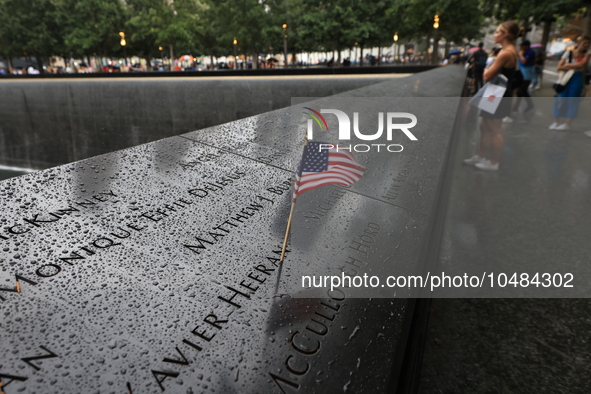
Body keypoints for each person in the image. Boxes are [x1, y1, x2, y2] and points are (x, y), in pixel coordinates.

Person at [464, 21, 519, 171]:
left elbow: (487, 75)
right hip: (495, 92)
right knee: (484, 125)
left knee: (494, 129)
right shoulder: (508, 50)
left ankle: (494, 162)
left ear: (505, 34)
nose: (494, 35)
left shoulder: (506, 52)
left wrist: (488, 67)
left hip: (498, 93)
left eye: (497, 32)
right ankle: (481, 156)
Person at [549, 36, 591, 130]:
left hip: (577, 79)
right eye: (585, 43)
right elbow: (559, 67)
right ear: (579, 43)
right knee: (560, 99)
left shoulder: (587, 55)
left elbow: (582, 65)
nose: (586, 45)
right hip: (565, 79)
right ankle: (555, 122)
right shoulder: (569, 53)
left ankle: (567, 124)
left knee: (573, 101)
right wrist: (573, 66)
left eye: (588, 44)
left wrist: (567, 65)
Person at [513, 40, 535, 114]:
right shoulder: (523, 52)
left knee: (523, 90)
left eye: (523, 46)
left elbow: (524, 61)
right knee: (520, 91)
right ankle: (516, 107)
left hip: (527, 74)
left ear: (527, 46)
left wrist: (521, 55)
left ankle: (530, 104)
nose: (521, 47)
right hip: (521, 74)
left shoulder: (530, 52)